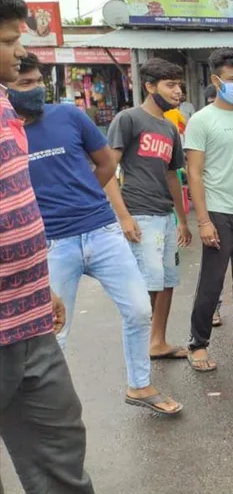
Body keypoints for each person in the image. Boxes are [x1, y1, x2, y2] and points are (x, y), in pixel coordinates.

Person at [11, 52, 183, 416]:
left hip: (101, 231)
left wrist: (85, 196)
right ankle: (51, 406)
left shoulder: (70, 116)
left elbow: (107, 162)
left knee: (138, 310)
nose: (36, 89)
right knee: (54, 330)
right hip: (53, 243)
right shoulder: (6, 132)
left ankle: (139, 385)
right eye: (25, 84)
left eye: (39, 81)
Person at [0, 0, 95, 492]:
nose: (20, 51)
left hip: (29, 317)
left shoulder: (5, 103)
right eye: (10, 40)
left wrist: (39, 285)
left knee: (59, 451)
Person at [104, 57, 192, 361]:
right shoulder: (128, 119)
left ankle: (158, 342)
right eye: (170, 85)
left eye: (179, 84)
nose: (177, 91)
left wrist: (182, 220)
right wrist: (123, 216)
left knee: (167, 282)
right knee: (147, 287)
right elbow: (107, 170)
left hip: (165, 215)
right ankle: (138, 349)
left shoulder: (170, 128)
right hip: (139, 214)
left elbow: (172, 176)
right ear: (150, 86)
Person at [184, 48, 233, 372]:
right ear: (216, 80)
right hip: (218, 212)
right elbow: (195, 173)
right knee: (212, 282)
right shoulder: (202, 121)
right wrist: (202, 221)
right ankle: (197, 344)